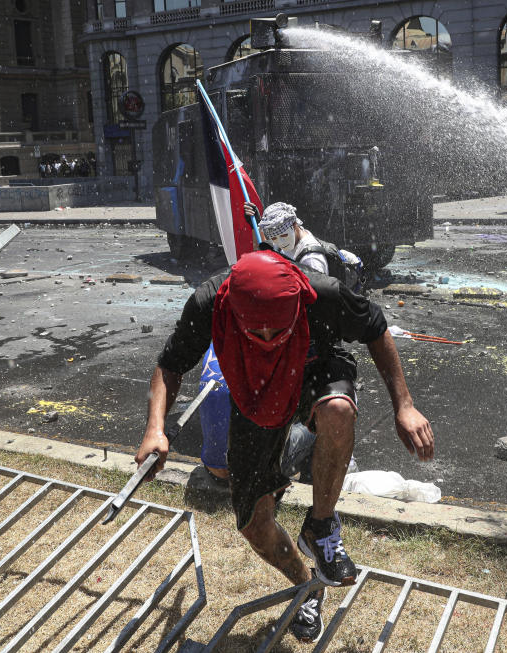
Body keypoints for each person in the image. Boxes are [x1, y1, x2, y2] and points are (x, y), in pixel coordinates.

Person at [134, 250, 433, 643]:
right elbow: (170, 363)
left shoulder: (321, 293)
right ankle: (308, 586)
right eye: (257, 333)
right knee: (253, 524)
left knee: (339, 411)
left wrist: (405, 406)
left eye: (277, 331)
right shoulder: (211, 302)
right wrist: (155, 428)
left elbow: (376, 328)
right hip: (254, 393)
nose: (268, 340)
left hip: (313, 368)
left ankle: (321, 525)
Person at [249, 201, 329, 275]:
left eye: (284, 236)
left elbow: (316, 289)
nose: (281, 242)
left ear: (295, 225)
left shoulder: (311, 259)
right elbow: (265, 255)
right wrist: (255, 226)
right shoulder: (292, 234)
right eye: (274, 239)